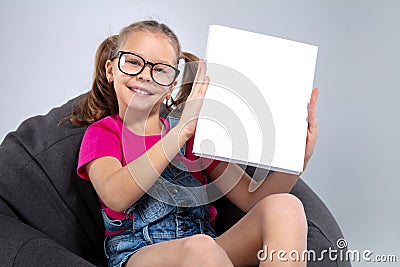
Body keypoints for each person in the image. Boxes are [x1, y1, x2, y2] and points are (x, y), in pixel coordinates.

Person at [70, 20, 319, 267]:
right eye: (133, 62)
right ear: (111, 70)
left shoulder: (194, 137)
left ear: (171, 86)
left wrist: (296, 160)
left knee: (285, 207)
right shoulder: (104, 132)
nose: (145, 75)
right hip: (139, 255)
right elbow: (115, 196)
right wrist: (179, 134)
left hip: (208, 252)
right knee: (200, 248)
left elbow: (253, 200)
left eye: (160, 70)